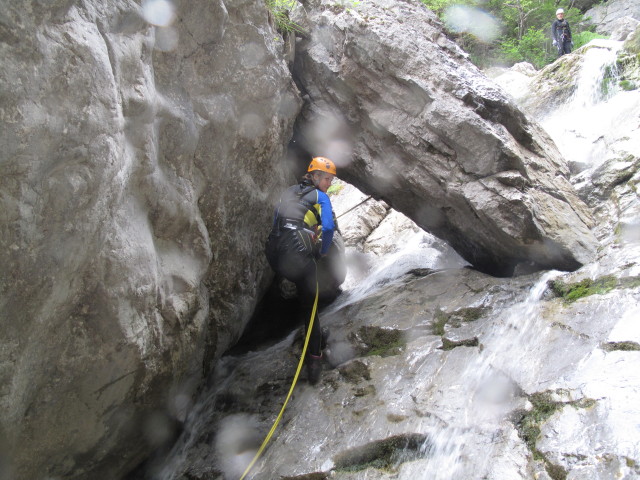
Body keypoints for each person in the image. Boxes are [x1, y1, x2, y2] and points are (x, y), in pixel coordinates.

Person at [265, 157, 338, 385]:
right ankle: (314, 360)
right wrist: (322, 251)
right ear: (314, 177)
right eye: (326, 178)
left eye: (331, 179)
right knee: (310, 305)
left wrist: (305, 232)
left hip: (274, 252)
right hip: (297, 253)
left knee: (302, 284)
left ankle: (307, 332)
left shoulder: (288, 191)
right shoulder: (321, 196)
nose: (328, 182)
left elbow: (280, 220)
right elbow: (328, 227)